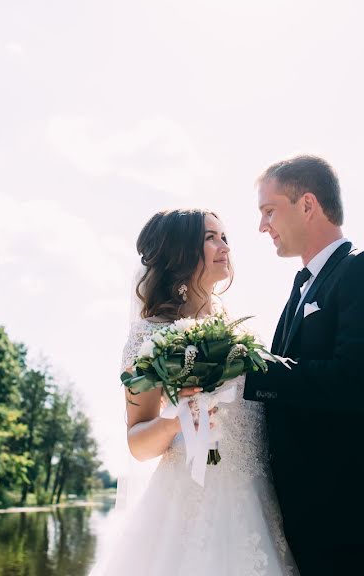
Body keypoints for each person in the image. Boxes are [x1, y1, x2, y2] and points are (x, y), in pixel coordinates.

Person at [243, 155, 364, 575]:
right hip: (306, 523)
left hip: (357, 525)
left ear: (307, 205)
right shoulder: (300, 288)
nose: (262, 226)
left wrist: (247, 371)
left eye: (269, 211)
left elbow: (355, 384)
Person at [90, 208, 298, 576]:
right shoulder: (147, 337)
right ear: (180, 252)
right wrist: (175, 420)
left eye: (225, 238)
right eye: (210, 237)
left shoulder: (242, 335)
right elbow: (138, 443)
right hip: (188, 503)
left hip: (258, 498)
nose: (225, 247)